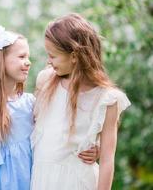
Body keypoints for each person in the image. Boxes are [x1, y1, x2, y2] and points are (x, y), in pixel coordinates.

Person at [0, 25, 99, 190]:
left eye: (28, 57)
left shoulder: (30, 103)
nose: (28, 62)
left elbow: (57, 134)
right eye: (21, 56)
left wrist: (94, 149)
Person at [30, 13, 131, 190]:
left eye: (53, 56)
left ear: (74, 56)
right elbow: (36, 130)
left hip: (79, 182)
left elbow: (108, 160)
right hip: (42, 180)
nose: (48, 61)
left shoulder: (107, 99)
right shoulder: (45, 81)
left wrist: (96, 148)